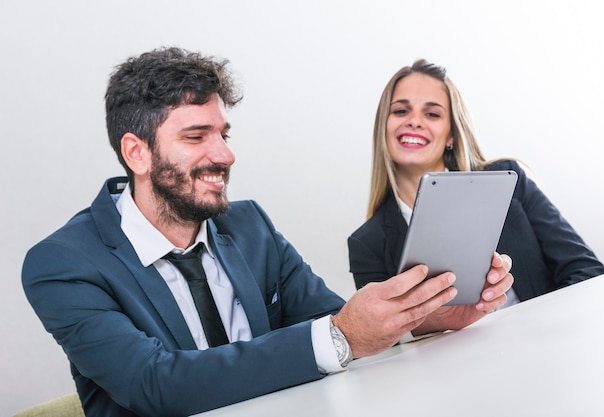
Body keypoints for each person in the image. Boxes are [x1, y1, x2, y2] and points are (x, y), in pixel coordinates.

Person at [22, 48, 514, 417]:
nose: (225, 155)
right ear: (137, 154)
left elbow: (332, 321)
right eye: (197, 137)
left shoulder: (249, 224)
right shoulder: (64, 263)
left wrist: (424, 318)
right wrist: (343, 334)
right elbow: (155, 385)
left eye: (224, 135)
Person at [348, 58, 604, 308]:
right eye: (401, 111)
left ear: (451, 135)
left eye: (432, 114)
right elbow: (387, 340)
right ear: (384, 126)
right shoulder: (367, 243)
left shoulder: (508, 181)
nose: (414, 121)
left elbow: (587, 270)